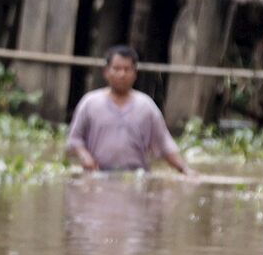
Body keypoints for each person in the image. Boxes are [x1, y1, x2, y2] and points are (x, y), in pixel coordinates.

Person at [65, 45, 194, 177]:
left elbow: (164, 145)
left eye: (127, 69)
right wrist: (85, 157)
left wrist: (185, 170)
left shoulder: (146, 106)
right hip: (98, 176)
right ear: (106, 72)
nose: (122, 74)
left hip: (136, 177)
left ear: (135, 73)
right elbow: (74, 140)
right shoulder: (90, 103)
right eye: (117, 69)